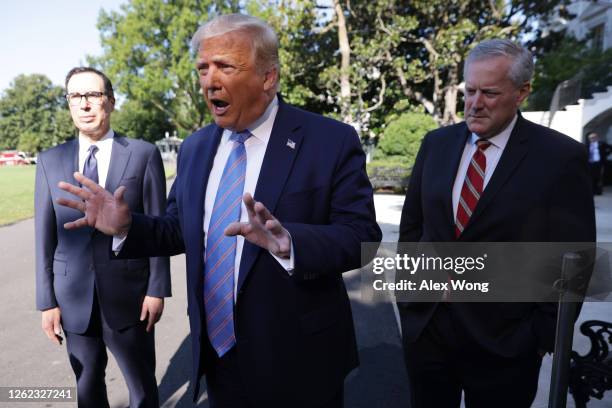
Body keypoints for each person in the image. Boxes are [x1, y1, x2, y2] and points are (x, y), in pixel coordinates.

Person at [56, 15, 381, 408]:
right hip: (219, 357)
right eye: (203, 68)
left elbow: (362, 238)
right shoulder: (196, 148)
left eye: (226, 66)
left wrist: (291, 243)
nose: (210, 80)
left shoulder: (329, 140)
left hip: (301, 360)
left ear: (268, 77)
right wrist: (128, 226)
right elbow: (178, 228)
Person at [397, 39, 595, 408]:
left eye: (489, 92)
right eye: (470, 90)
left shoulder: (561, 158)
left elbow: (575, 257)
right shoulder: (435, 144)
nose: (474, 103)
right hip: (428, 330)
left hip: (506, 344)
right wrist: (408, 298)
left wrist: (542, 337)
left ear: (522, 92)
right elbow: (413, 229)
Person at [35, 67, 170, 408]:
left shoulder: (143, 154)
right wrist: (46, 301)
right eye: (75, 96)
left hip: (131, 295)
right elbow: (44, 237)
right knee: (87, 385)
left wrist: (157, 289)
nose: (84, 104)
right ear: (68, 104)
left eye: (93, 95)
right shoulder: (50, 161)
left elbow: (158, 227)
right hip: (72, 296)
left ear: (110, 100)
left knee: (141, 387)